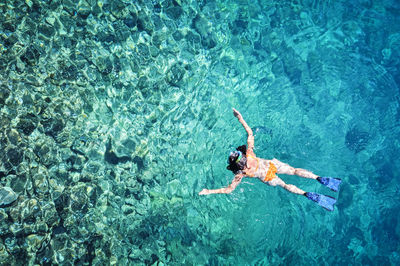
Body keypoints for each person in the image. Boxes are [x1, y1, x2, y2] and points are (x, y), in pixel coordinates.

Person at [198, 108, 341, 211]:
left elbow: (228, 190)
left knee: (285, 185)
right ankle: (319, 178)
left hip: (267, 177)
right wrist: (239, 118)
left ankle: (307, 194)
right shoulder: (250, 153)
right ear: (241, 156)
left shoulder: (240, 174)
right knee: (295, 171)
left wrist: (208, 191)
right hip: (272, 165)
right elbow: (250, 133)